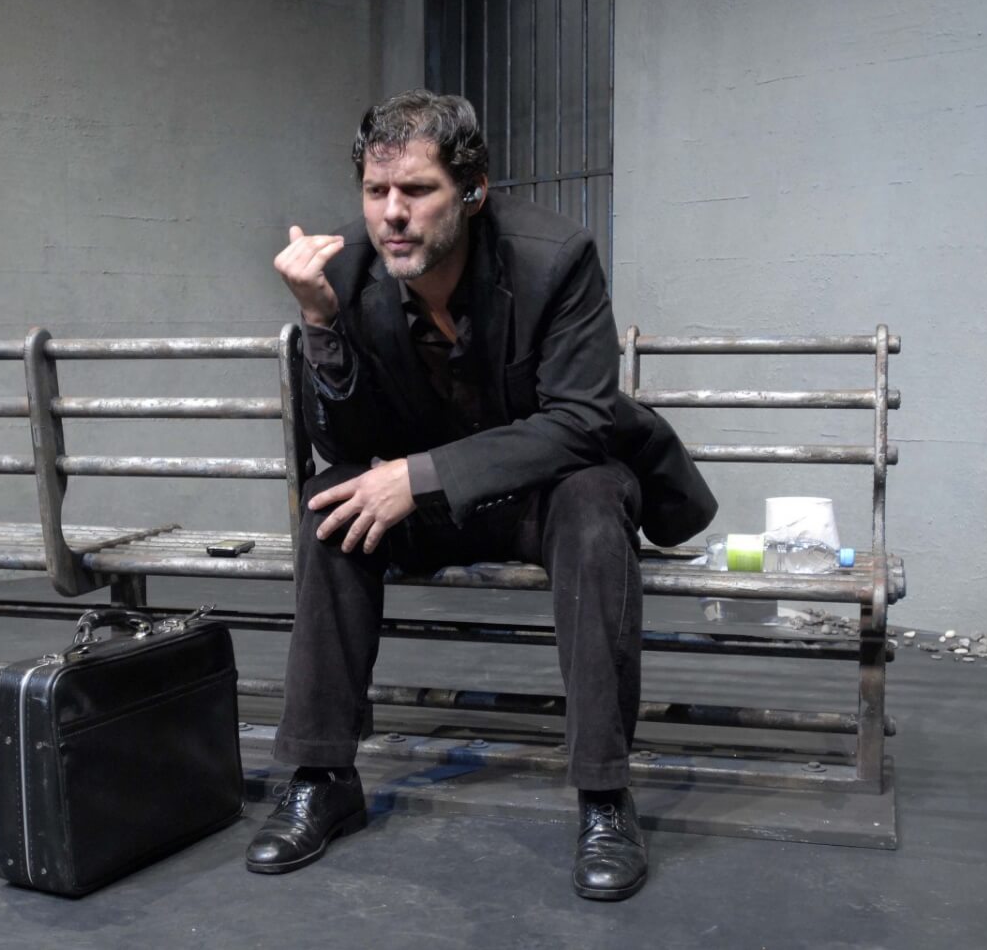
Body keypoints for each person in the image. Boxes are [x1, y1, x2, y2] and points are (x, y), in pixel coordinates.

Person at [245, 90, 715, 901]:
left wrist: (420, 476)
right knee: (331, 502)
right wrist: (320, 320)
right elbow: (349, 446)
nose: (392, 215)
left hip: (541, 497)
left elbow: (580, 422)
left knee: (598, 498)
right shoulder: (348, 272)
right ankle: (322, 776)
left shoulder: (555, 258)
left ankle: (604, 794)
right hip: (432, 508)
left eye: (417, 191)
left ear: (472, 189)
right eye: (375, 192)